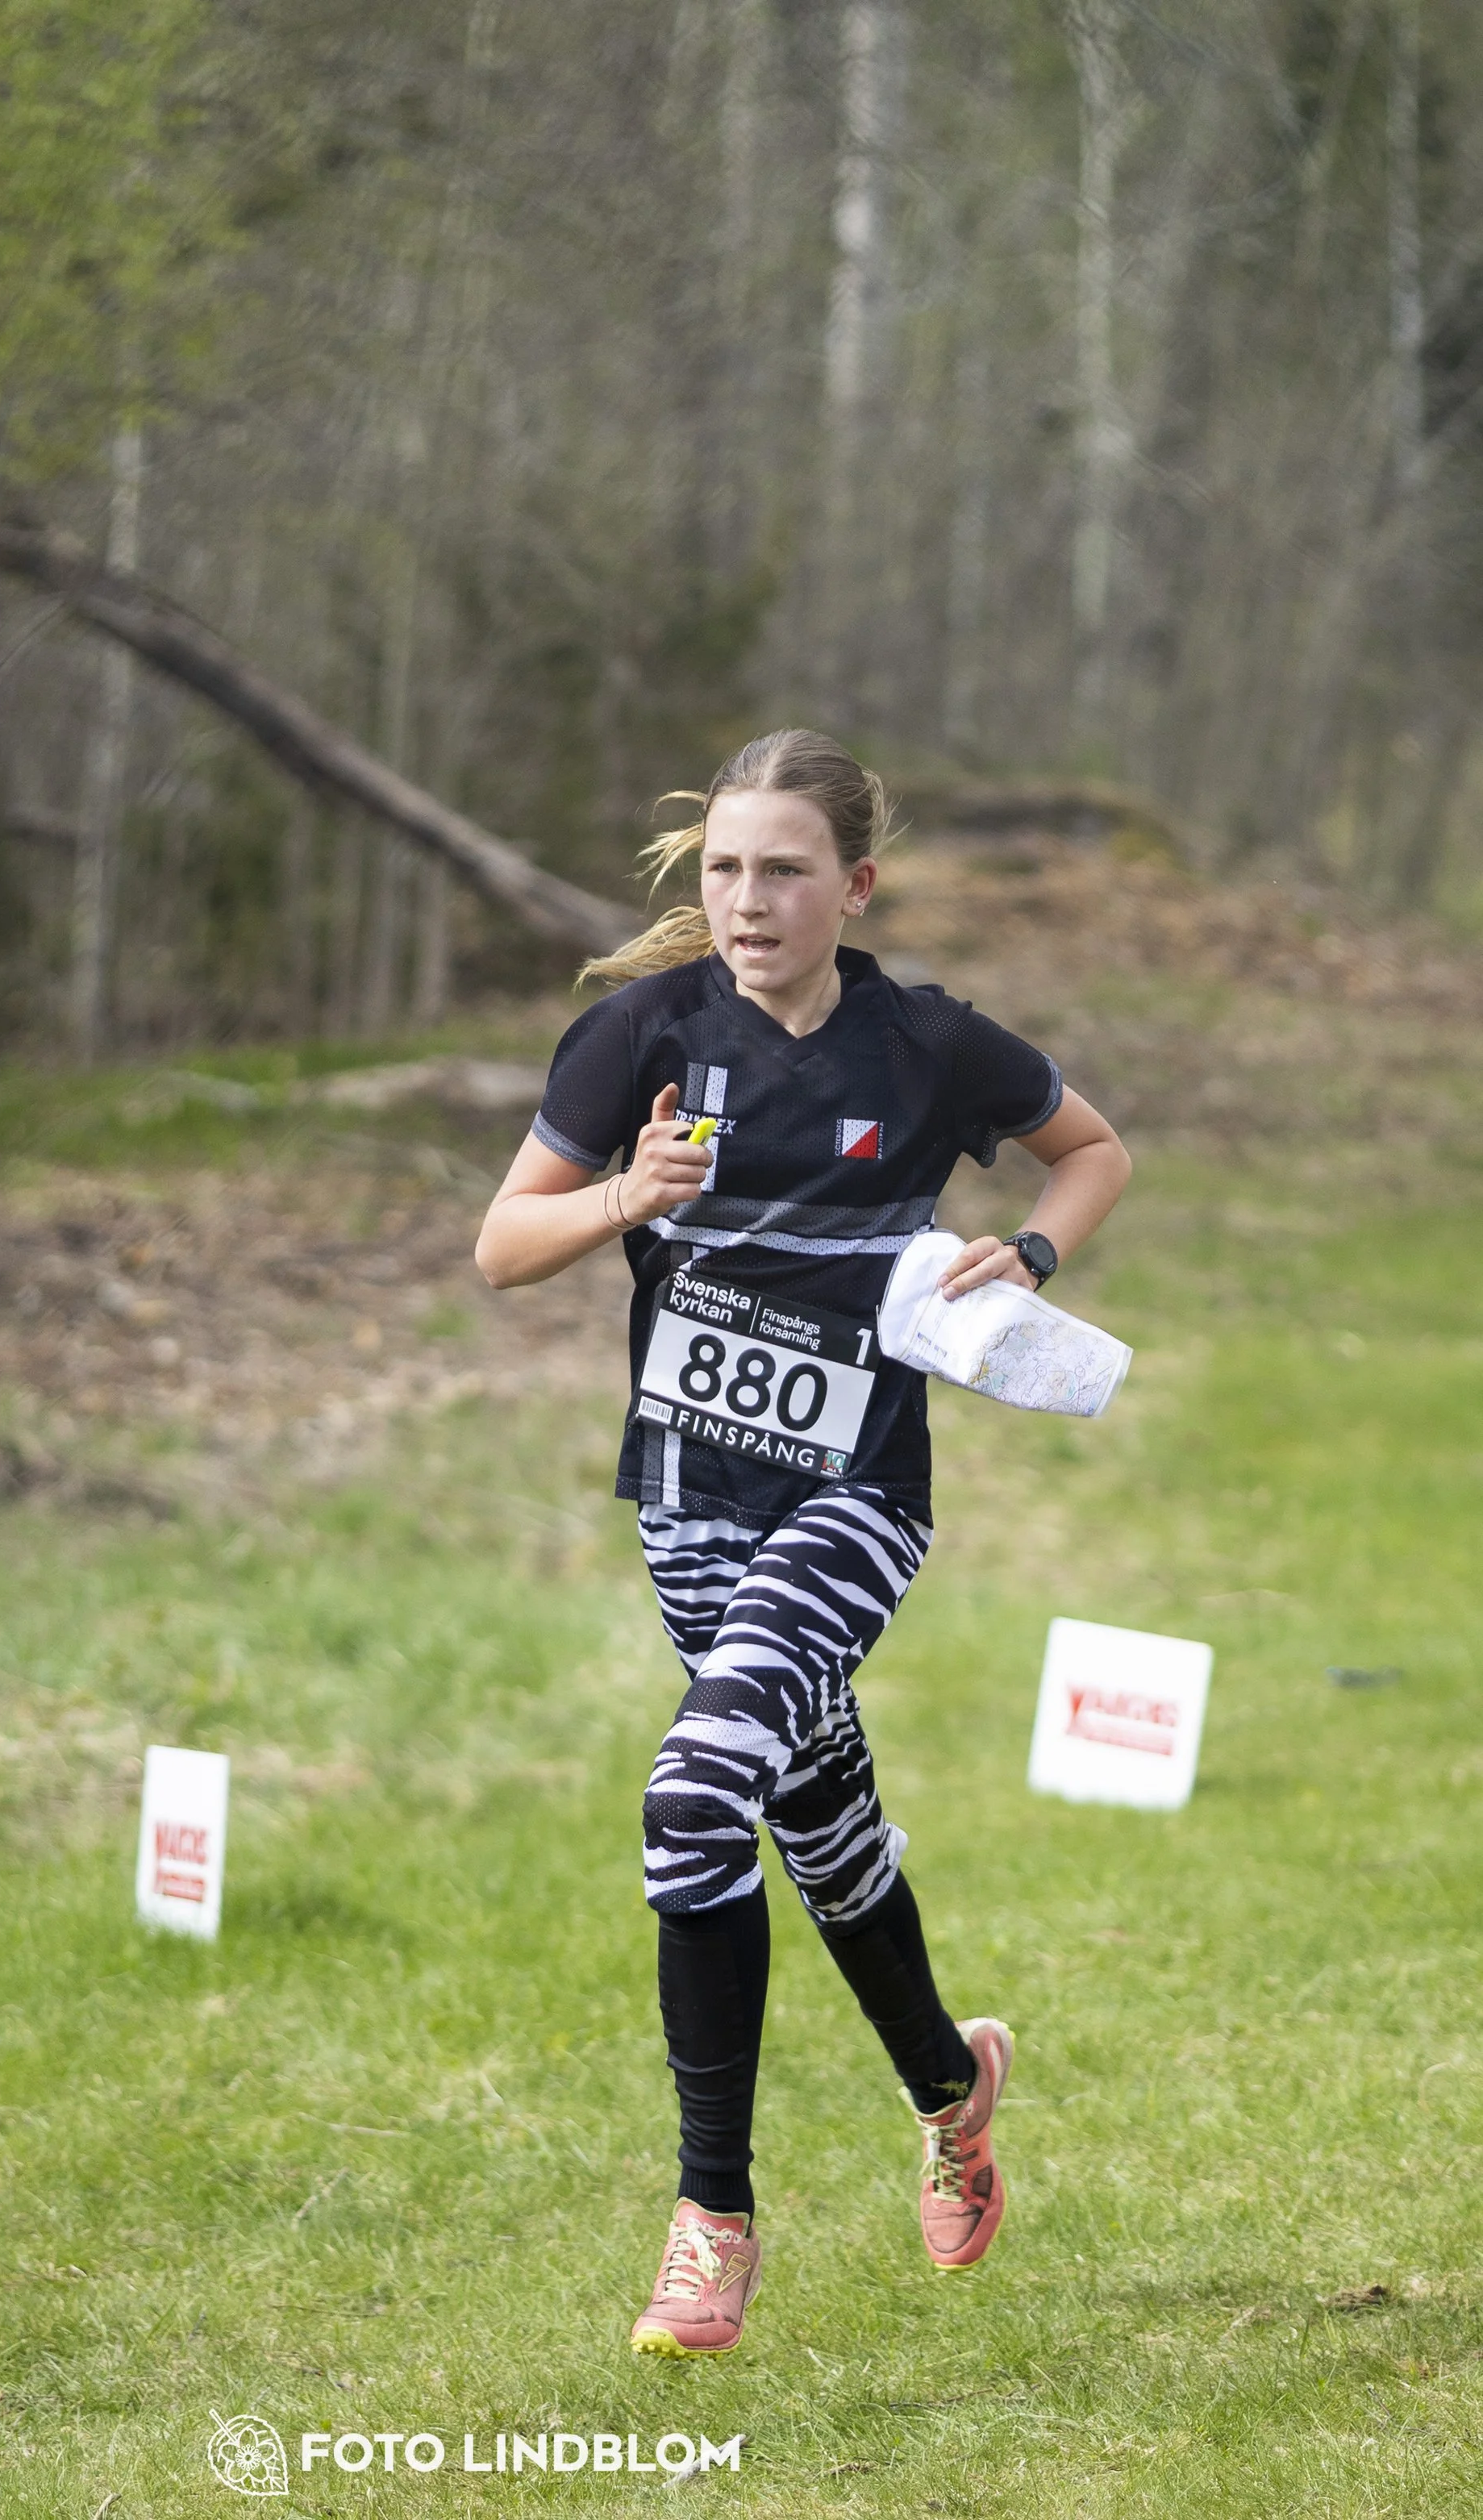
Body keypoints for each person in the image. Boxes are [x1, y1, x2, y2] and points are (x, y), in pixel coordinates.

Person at [474, 729, 1131, 2357]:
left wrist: (1031, 1253)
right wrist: (625, 1195)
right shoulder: (639, 1030)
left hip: (852, 1496)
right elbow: (501, 1246)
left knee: (696, 1791)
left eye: (781, 871)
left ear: (853, 883)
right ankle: (947, 2082)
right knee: (816, 1822)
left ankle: (710, 2219)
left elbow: (1091, 1147)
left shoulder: (922, 1046)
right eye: (720, 869)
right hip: (687, 1506)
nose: (748, 901)